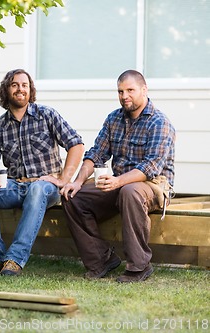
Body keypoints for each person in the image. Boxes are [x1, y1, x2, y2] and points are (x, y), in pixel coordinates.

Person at [61, 70, 176, 283]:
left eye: (130, 90)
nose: (125, 96)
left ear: (144, 90)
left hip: (153, 185)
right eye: (120, 91)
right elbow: (96, 154)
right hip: (120, 183)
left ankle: (139, 266)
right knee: (73, 196)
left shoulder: (160, 122)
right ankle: (101, 259)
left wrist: (118, 181)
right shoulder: (114, 118)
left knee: (130, 191)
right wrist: (76, 182)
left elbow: (151, 167)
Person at [0, 69, 84, 276]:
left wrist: (63, 179)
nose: (20, 89)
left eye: (25, 85)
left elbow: (76, 145)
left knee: (38, 188)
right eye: (14, 85)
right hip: (15, 186)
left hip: (46, 187)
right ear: (6, 90)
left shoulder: (47, 115)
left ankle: (15, 258)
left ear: (30, 90)